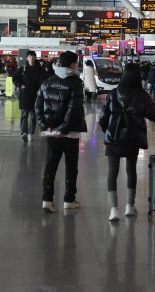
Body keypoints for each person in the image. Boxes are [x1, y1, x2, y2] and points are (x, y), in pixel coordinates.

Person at [98, 63, 155, 222]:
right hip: (133, 138)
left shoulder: (113, 93)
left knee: (112, 172)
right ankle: (130, 206)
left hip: (114, 140)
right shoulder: (142, 95)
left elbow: (103, 118)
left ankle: (113, 210)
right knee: (131, 170)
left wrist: (109, 132)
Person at [35, 51, 87, 213]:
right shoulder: (75, 83)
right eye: (76, 63)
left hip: (51, 132)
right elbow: (73, 109)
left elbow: (38, 106)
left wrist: (45, 126)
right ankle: (69, 200)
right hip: (70, 133)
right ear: (72, 64)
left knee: (51, 165)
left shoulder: (47, 81)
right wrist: (63, 129)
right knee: (71, 167)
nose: (77, 66)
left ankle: (47, 200)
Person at [13, 51, 45, 141]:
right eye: (30, 56)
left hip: (35, 95)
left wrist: (40, 89)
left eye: (33, 56)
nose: (31, 58)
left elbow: (43, 81)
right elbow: (15, 78)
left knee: (33, 116)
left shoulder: (39, 69)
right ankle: (24, 133)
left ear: (35, 58)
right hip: (25, 95)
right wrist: (21, 85)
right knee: (24, 114)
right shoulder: (23, 68)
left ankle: (30, 133)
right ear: (27, 58)